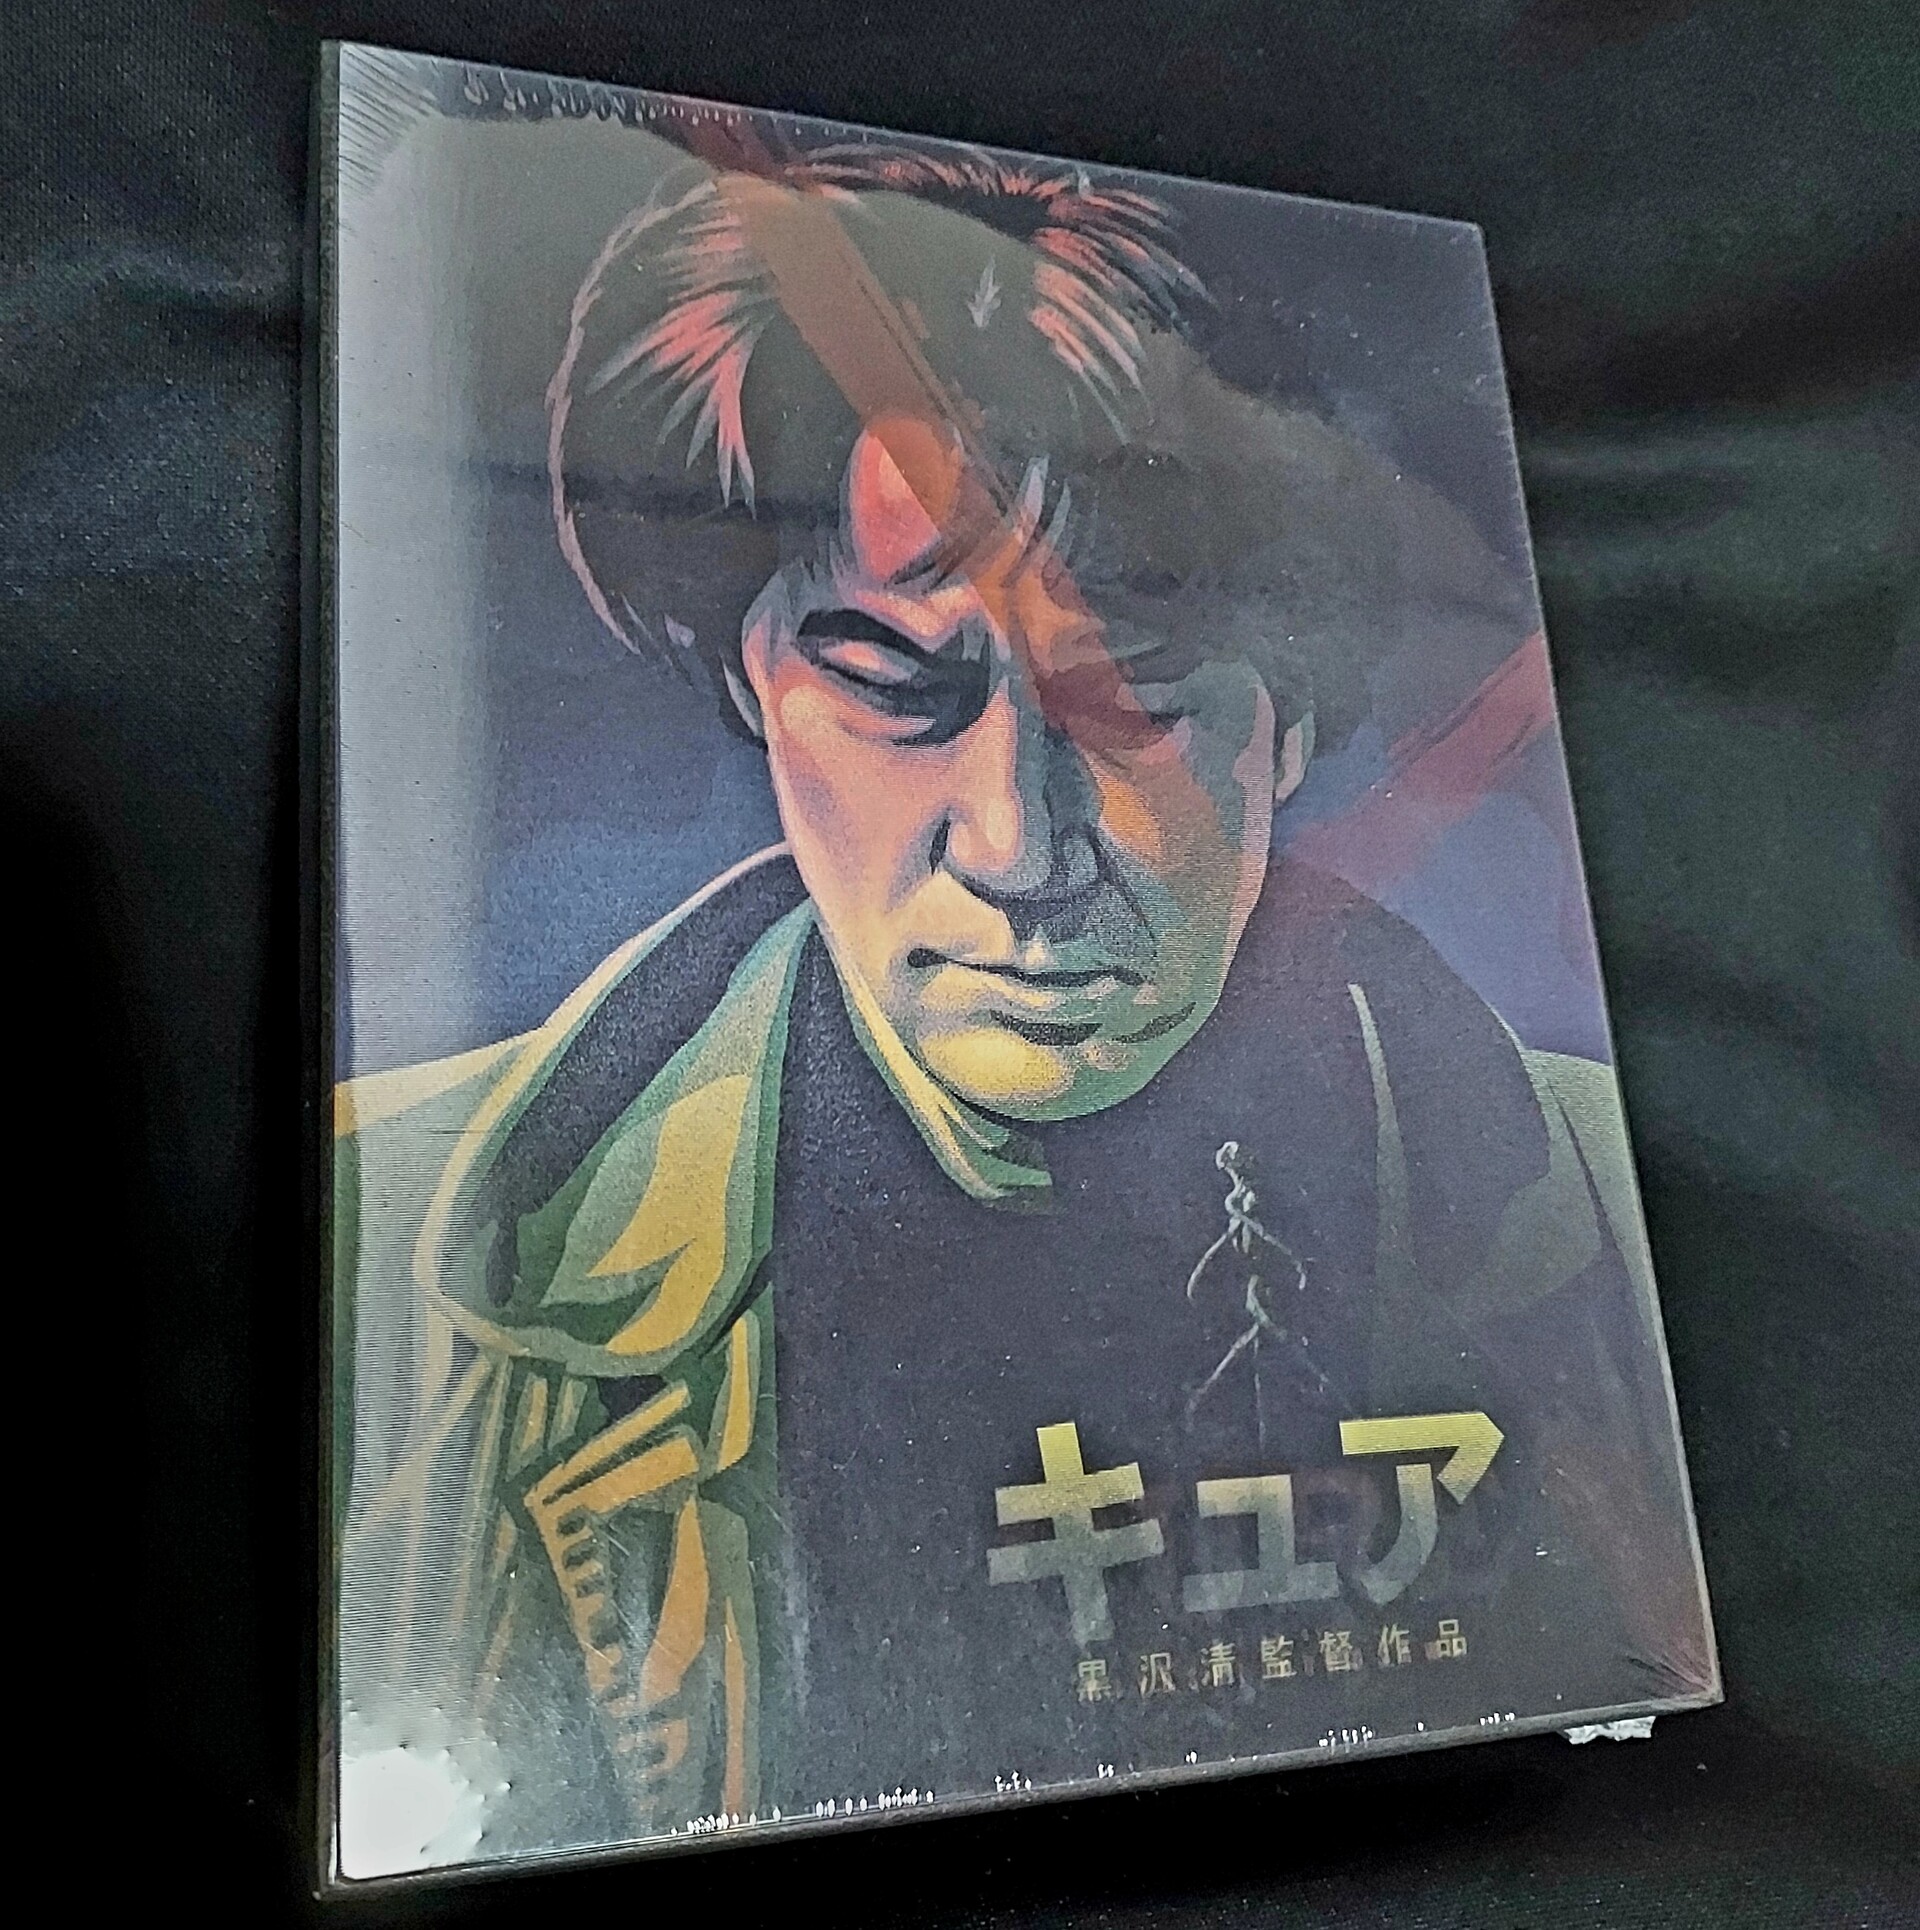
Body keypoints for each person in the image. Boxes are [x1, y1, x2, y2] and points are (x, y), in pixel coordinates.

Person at [333, 146, 1711, 1853]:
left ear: (1290, 718)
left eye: (1130, 702)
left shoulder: (1605, 1202)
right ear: (749, 686)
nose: (1015, 844)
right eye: (893, 686)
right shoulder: (387, 1238)